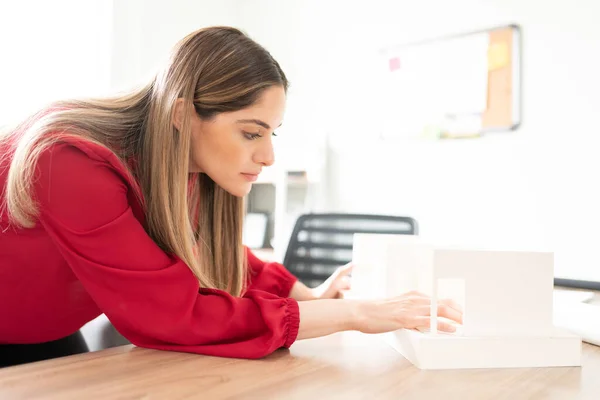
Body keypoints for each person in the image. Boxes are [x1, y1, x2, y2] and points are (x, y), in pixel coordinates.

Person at [0, 26, 462, 367]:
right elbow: (175, 316)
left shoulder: (182, 166)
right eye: (250, 132)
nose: (268, 155)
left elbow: (221, 254)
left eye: (272, 133)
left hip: (38, 331)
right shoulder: (69, 159)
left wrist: (314, 297)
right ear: (181, 113)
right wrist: (353, 313)